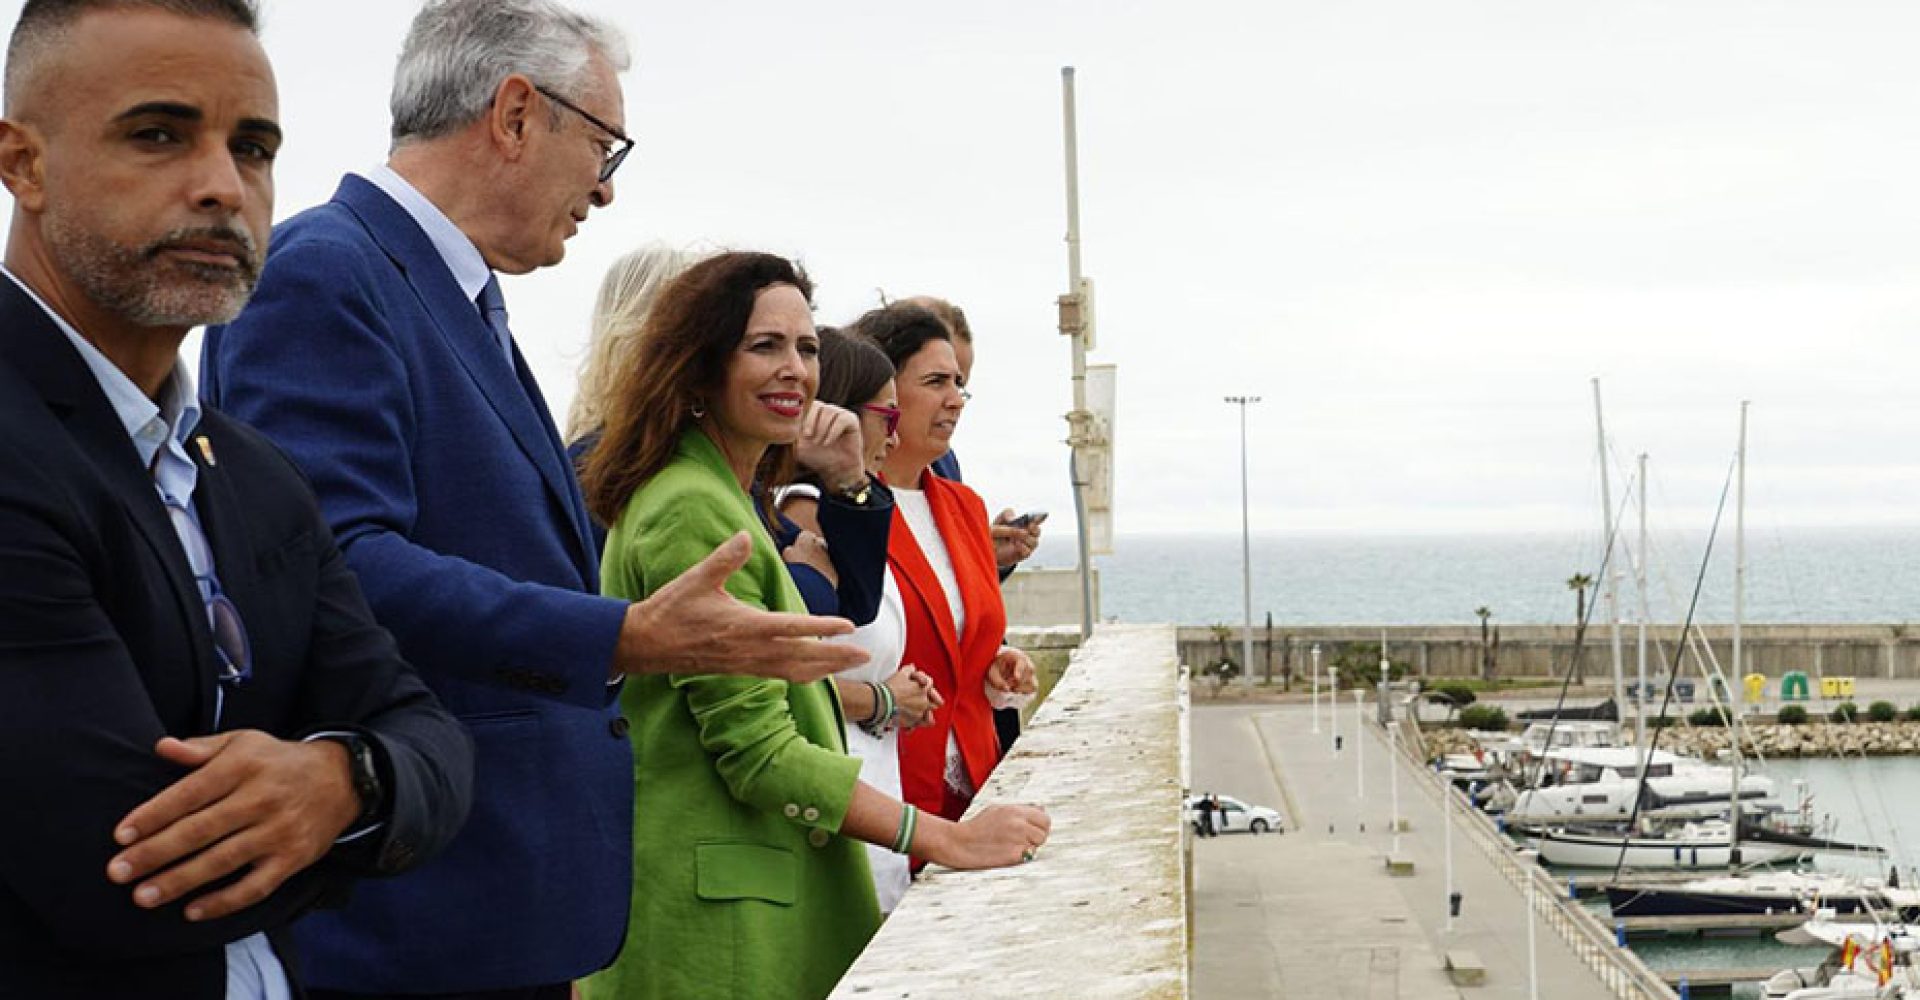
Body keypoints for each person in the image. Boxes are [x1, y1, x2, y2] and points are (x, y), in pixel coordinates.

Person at [199, 2, 863, 995]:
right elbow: (335, 562)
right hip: (418, 915)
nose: (602, 187)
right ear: (516, 113)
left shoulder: (455, 296)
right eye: (603, 144)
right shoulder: (329, 273)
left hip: (496, 906)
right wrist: (622, 635)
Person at [0, 1, 473, 994]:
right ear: (23, 162)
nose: (223, 187)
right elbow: (118, 871)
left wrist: (344, 778)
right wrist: (359, 809)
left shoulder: (251, 470)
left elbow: (431, 741)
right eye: (158, 133)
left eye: (253, 148)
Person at [577, 253, 1049, 1000]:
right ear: (700, 366)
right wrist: (944, 836)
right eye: (765, 346)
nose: (795, 369)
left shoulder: (721, 492)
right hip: (719, 919)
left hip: (744, 893)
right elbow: (757, 751)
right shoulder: (690, 507)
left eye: (806, 349)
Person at [849, 302, 1041, 824]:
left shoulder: (965, 507)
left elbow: (958, 641)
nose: (956, 401)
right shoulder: (843, 509)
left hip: (976, 785)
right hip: (891, 798)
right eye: (936, 381)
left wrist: (994, 665)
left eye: (959, 385)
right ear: (881, 394)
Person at [778, 328, 942, 913]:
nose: (893, 434)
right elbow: (772, 682)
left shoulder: (848, 514)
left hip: (872, 787)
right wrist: (880, 699)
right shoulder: (798, 512)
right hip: (826, 802)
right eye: (885, 416)